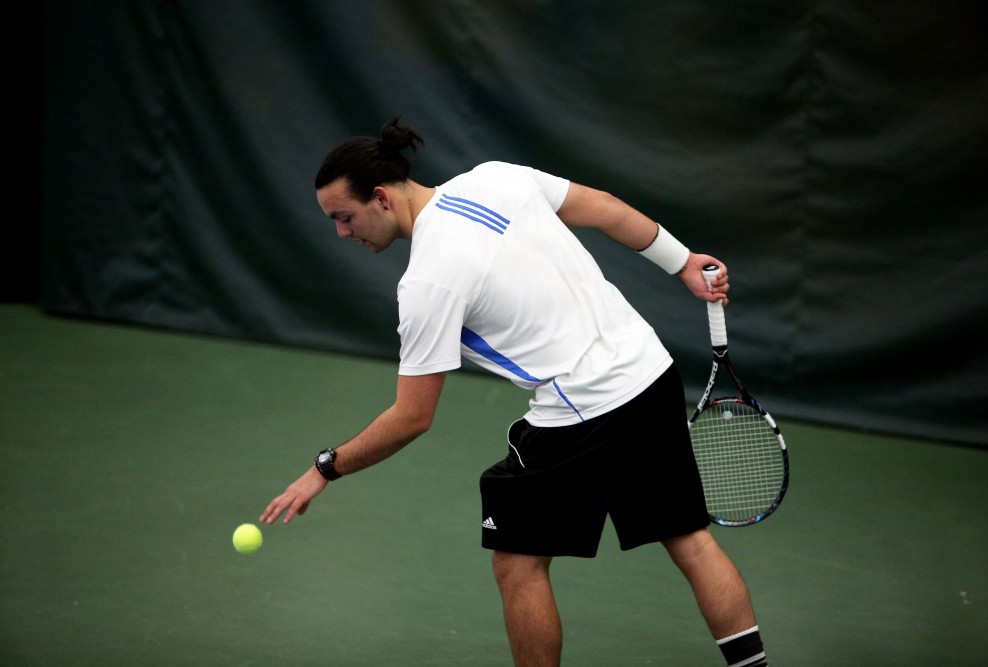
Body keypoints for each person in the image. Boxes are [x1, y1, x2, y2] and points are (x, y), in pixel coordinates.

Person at [261, 116, 768, 667]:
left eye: (343, 217)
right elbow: (603, 206)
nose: (341, 232)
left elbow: (412, 417)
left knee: (518, 564)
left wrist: (324, 468)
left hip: (584, 410)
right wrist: (682, 261)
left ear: (381, 198)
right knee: (690, 541)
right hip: (648, 370)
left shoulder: (429, 281)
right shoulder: (496, 176)